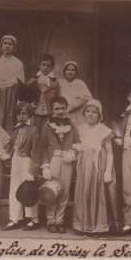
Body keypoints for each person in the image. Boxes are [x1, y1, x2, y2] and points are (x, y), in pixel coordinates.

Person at [73, 99, 120, 235]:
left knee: (99, 193)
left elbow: (110, 153)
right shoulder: (80, 129)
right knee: (85, 191)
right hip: (84, 166)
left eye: (94, 112)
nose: (90, 114)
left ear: (99, 115)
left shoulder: (104, 131)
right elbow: (78, 147)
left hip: (100, 165)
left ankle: (99, 225)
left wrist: (108, 172)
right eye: (88, 111)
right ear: (84, 113)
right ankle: (83, 224)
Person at [41, 96, 80, 234]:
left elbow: (77, 143)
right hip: (53, 160)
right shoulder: (47, 125)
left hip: (67, 160)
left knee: (64, 191)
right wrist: (45, 164)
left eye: (63, 108)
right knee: (52, 190)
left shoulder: (72, 125)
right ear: (52, 109)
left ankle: (60, 220)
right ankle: (51, 219)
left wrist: (73, 154)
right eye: (57, 108)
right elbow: (42, 146)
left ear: (67, 108)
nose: (60, 111)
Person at [2, 102, 40, 231]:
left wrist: (32, 171)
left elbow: (36, 151)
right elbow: (13, 146)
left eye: (24, 113)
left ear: (29, 115)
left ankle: (33, 218)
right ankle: (15, 218)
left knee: (28, 189)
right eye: (19, 114)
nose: (21, 116)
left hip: (27, 161)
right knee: (14, 189)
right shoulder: (16, 129)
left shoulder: (33, 130)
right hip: (16, 160)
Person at [0, 35, 25, 135]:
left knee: (10, 119)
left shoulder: (18, 63)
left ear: (14, 48)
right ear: (0, 46)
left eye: (10, 44)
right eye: (5, 43)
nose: (7, 46)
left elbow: (21, 83)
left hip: (12, 95)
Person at [113, 87, 131, 235]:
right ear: (128, 98)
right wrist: (118, 139)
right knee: (128, 189)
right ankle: (128, 221)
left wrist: (130, 141)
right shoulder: (126, 115)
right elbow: (119, 130)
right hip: (127, 154)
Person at [26, 54, 60, 132]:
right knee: (34, 132)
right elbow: (27, 97)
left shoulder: (55, 83)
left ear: (52, 67)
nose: (45, 67)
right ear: (39, 65)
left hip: (48, 113)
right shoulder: (32, 80)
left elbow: (58, 98)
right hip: (35, 113)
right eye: (43, 64)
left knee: (46, 132)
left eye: (48, 65)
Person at [58, 61, 92, 126]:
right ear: (64, 71)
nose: (70, 72)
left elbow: (86, 98)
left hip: (78, 113)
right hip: (62, 112)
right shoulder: (59, 83)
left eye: (73, 70)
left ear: (76, 72)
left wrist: (71, 108)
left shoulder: (80, 83)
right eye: (68, 70)